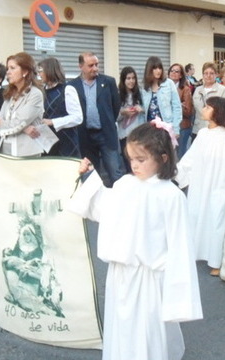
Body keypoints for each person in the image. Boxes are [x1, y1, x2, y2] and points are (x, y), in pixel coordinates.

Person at [69, 121, 202, 360]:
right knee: (122, 328)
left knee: (147, 333)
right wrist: (89, 177)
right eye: (131, 159)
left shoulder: (171, 196)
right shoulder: (124, 185)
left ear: (162, 158)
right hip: (120, 276)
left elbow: (180, 246)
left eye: (141, 159)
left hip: (150, 280)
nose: (134, 165)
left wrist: (178, 295)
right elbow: (103, 209)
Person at [176, 97, 225, 276]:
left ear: (219, 112)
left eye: (208, 107)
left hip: (220, 185)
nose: (204, 109)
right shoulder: (202, 134)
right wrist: (176, 171)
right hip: (201, 184)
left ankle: (216, 261)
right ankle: (196, 252)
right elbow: (191, 158)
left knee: (216, 219)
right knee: (196, 214)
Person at [68, 51, 123, 187]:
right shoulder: (73, 86)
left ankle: (121, 200)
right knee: (91, 175)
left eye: (97, 65)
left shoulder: (108, 82)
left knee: (115, 171)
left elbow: (116, 106)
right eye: (91, 65)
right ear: (81, 66)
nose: (95, 68)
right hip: (85, 136)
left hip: (105, 134)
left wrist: (108, 122)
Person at [0, 52, 45, 156]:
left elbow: (17, 123)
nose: (8, 72)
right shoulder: (10, 94)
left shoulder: (35, 94)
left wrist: (2, 123)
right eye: (8, 68)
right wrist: (25, 128)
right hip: (6, 150)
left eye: (12, 68)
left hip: (26, 153)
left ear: (25, 71)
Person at [38, 57, 83, 157]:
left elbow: (78, 117)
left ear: (49, 70)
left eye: (41, 71)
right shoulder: (41, 91)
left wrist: (52, 122)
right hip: (47, 142)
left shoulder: (67, 89)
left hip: (66, 141)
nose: (39, 74)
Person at [141, 56, 182, 137]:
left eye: (160, 68)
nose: (158, 71)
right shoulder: (145, 87)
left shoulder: (169, 83)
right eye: (155, 68)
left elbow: (177, 107)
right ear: (149, 70)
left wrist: (176, 128)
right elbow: (144, 110)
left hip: (166, 127)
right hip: (149, 128)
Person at [116, 66, 145, 172]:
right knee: (128, 164)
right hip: (124, 135)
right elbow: (114, 116)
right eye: (128, 78)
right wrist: (123, 113)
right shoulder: (118, 95)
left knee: (139, 162)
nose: (131, 81)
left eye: (133, 78)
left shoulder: (140, 93)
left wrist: (141, 109)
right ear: (123, 80)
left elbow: (147, 111)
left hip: (138, 134)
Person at [192, 62, 225, 139]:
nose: (208, 76)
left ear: (216, 75)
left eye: (211, 73)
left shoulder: (222, 90)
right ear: (202, 75)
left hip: (216, 131)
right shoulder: (197, 90)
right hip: (198, 130)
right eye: (206, 73)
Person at [168, 63, 193, 158]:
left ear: (181, 75)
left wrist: (174, 105)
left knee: (180, 156)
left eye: (177, 71)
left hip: (182, 126)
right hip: (168, 126)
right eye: (172, 71)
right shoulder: (165, 88)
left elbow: (188, 111)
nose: (173, 73)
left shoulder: (185, 89)